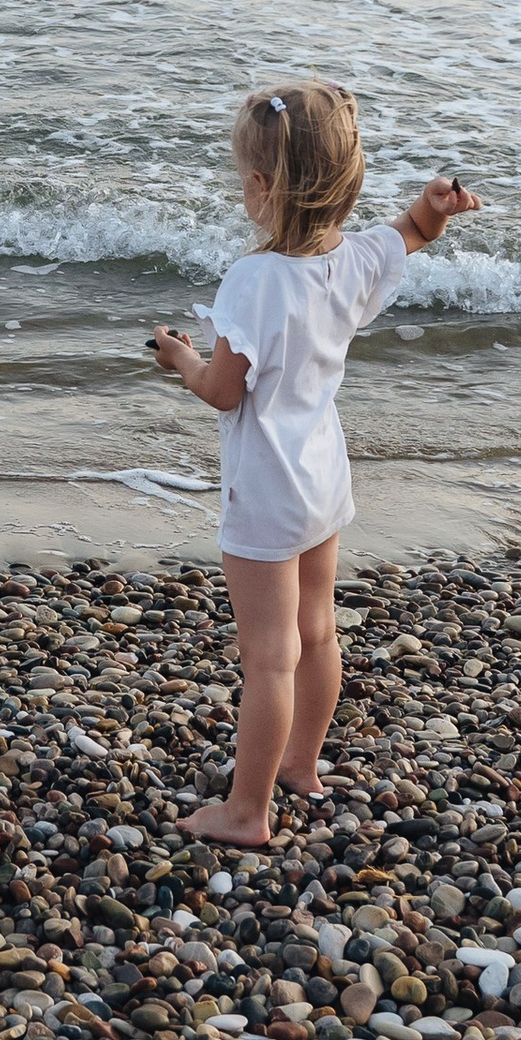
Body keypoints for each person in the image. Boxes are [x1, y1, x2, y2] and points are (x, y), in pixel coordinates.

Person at [149, 83, 479, 847]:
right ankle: (301, 765)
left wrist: (182, 360)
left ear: (263, 189)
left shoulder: (254, 281)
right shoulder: (356, 259)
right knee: (318, 630)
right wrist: (435, 207)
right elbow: (410, 235)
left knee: (268, 656)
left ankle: (246, 810)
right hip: (326, 474)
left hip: (266, 489)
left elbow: (226, 392)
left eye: (243, 178)